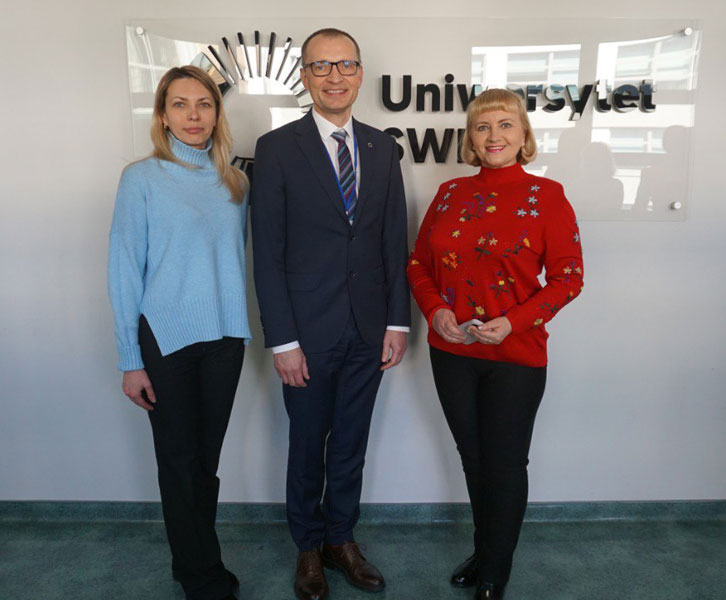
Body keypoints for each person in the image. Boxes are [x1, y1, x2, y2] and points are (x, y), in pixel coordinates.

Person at [250, 28, 410, 600]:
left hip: (369, 327)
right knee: (306, 445)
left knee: (350, 443)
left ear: (360, 73)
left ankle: (342, 539)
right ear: (305, 76)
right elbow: (267, 253)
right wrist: (282, 340)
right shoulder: (276, 148)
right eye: (321, 66)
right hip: (306, 332)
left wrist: (397, 321)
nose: (334, 76)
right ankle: (308, 548)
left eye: (344, 65)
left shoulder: (382, 148)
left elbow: (393, 240)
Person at [406, 88, 584, 600]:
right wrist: (435, 311)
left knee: (505, 465)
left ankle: (495, 570)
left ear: (524, 134)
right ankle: (486, 551)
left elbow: (569, 278)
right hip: (453, 353)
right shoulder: (449, 194)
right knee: (474, 459)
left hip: (516, 356)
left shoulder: (548, 196)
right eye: (483, 126)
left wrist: (514, 322)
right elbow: (418, 264)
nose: (494, 136)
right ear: (471, 137)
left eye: (505, 124)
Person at [107, 65, 249, 600]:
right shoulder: (141, 179)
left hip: (225, 340)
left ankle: (192, 559)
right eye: (180, 104)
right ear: (163, 115)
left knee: (205, 464)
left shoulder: (236, 183)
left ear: (217, 113)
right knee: (179, 462)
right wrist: (130, 358)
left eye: (204, 104)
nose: (193, 115)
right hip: (164, 340)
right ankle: (202, 576)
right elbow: (124, 269)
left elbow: (231, 262)